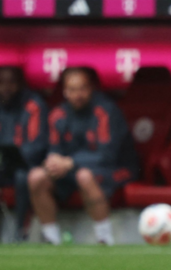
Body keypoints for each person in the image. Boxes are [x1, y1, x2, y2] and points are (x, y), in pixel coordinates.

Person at [28, 67, 137, 245]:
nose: (77, 94)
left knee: (84, 175)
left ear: (91, 89)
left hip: (114, 168)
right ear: (65, 92)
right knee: (36, 177)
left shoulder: (104, 111)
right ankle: (51, 238)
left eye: (82, 89)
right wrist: (53, 162)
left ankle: (105, 238)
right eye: (72, 90)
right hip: (70, 170)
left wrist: (70, 162)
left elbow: (106, 155)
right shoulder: (58, 114)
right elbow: (54, 150)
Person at [0, 66, 48, 235]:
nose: (6, 87)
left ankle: (21, 230)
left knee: (22, 177)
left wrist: (18, 154)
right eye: (1, 83)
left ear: (21, 84)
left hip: (28, 163)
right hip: (4, 164)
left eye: (11, 82)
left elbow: (38, 144)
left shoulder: (33, 104)